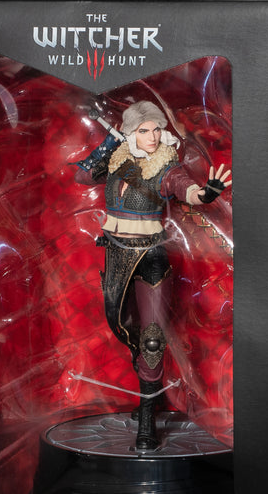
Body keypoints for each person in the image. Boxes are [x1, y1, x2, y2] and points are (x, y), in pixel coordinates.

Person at [74, 101, 231, 449]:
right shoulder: (117, 161)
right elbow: (82, 175)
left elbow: (188, 189)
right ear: (131, 133)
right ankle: (153, 394)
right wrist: (110, 142)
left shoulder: (166, 166)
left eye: (157, 129)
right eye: (144, 130)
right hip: (116, 254)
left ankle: (147, 420)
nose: (153, 136)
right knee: (120, 325)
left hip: (152, 258)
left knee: (152, 338)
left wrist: (207, 192)